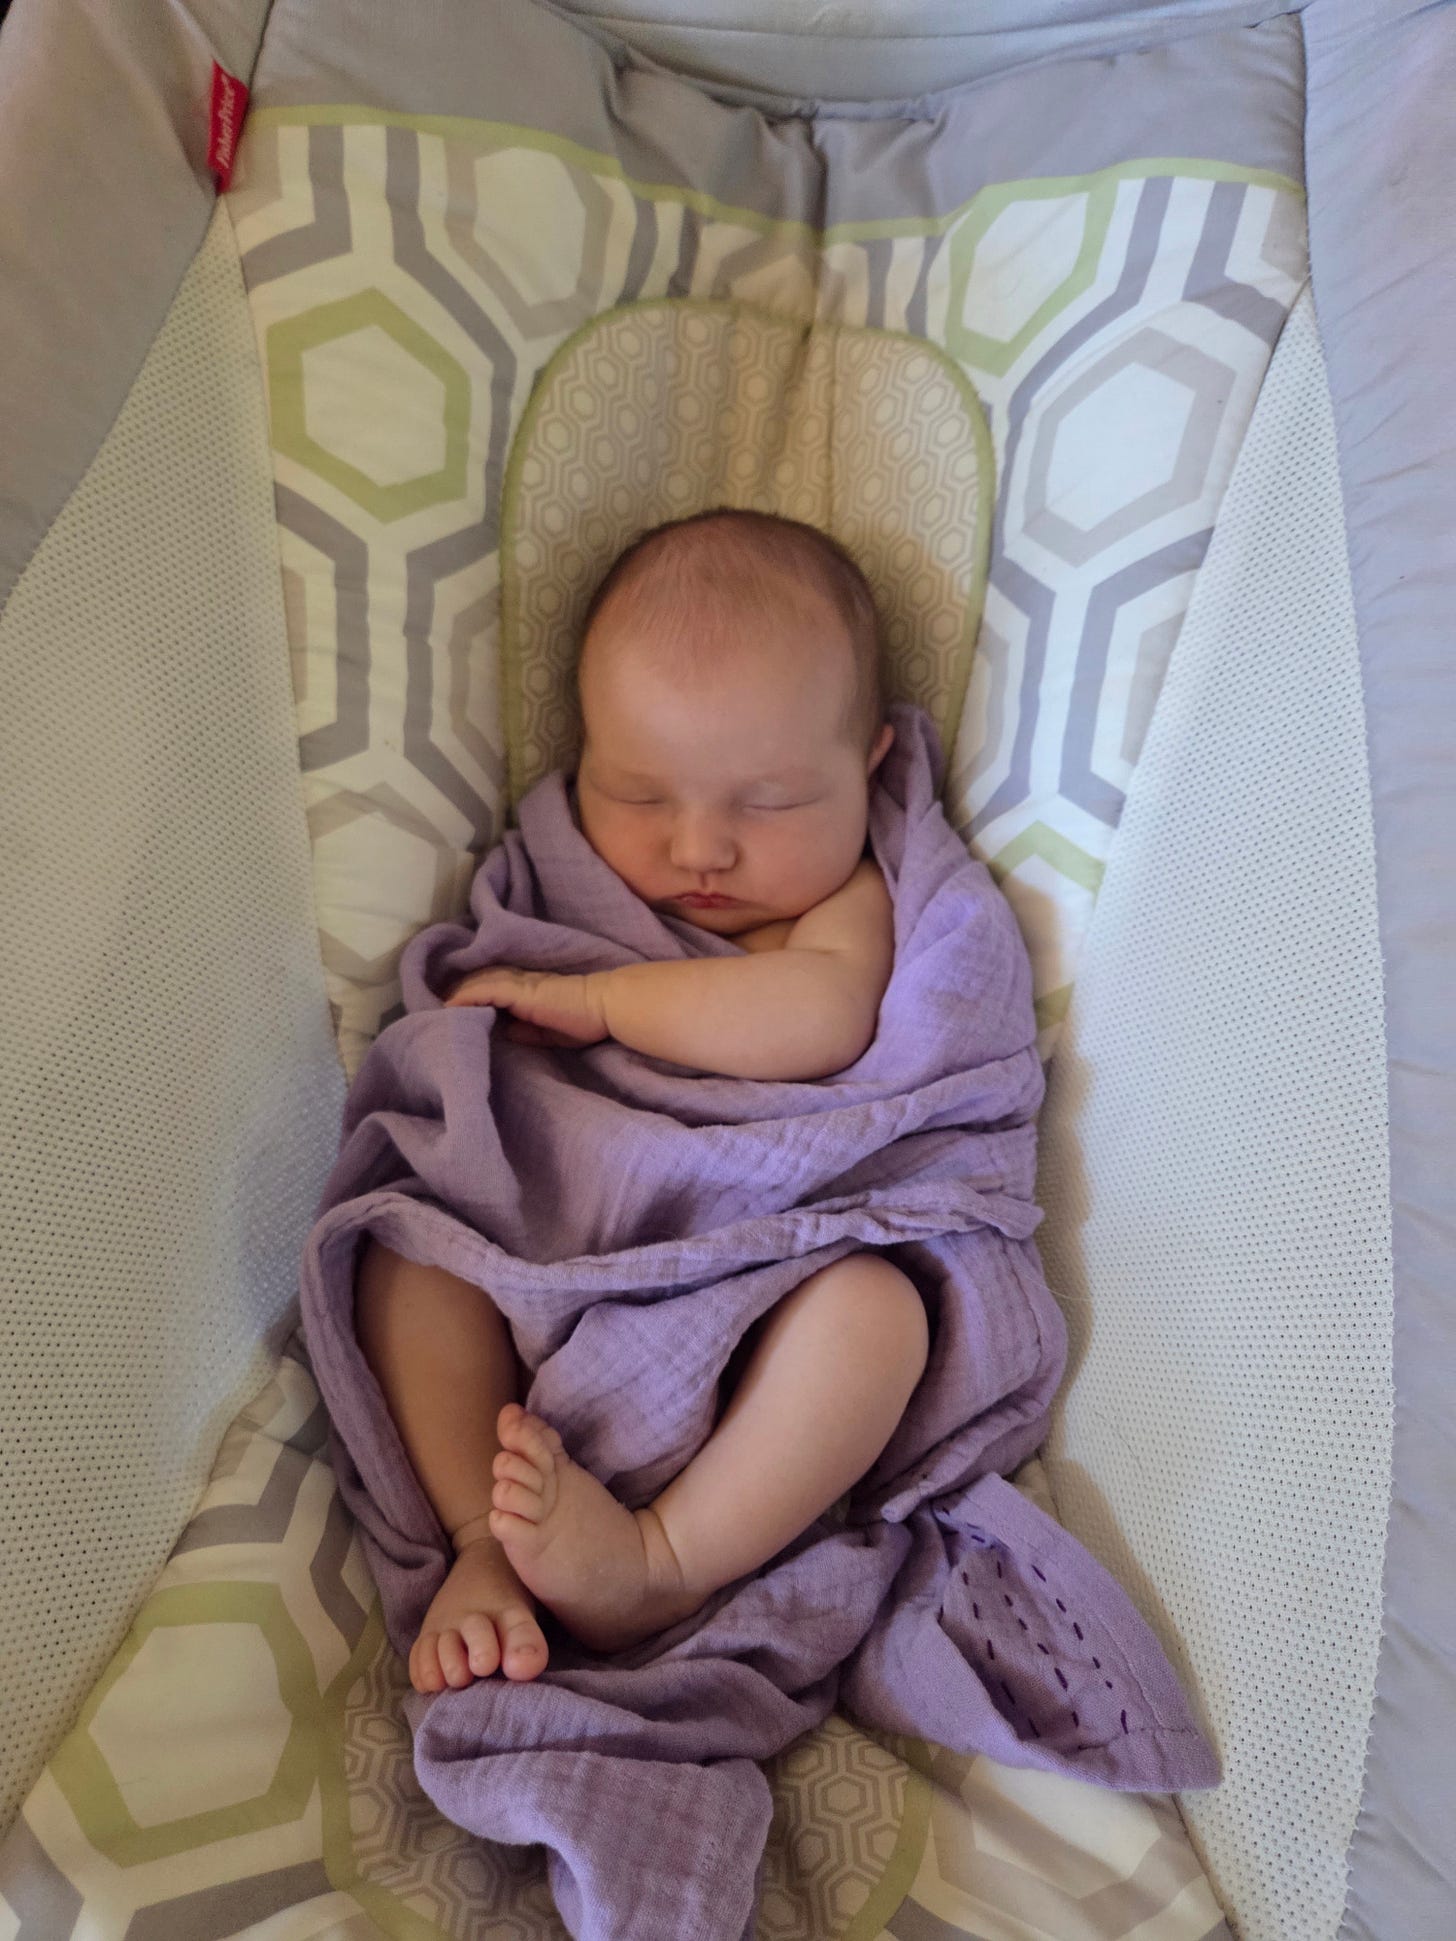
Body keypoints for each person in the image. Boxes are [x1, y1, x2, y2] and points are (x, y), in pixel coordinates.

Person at [355, 508, 932, 1695]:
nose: (700, 849)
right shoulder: (555, 877)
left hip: (756, 1273)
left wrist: (613, 1004)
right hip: (549, 1230)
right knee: (408, 1247)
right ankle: (485, 1545)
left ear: (866, 764)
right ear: (584, 761)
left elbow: (822, 1018)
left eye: (768, 802)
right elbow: (468, 1059)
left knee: (879, 1319)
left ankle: (661, 1560)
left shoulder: (847, 899)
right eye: (639, 792)